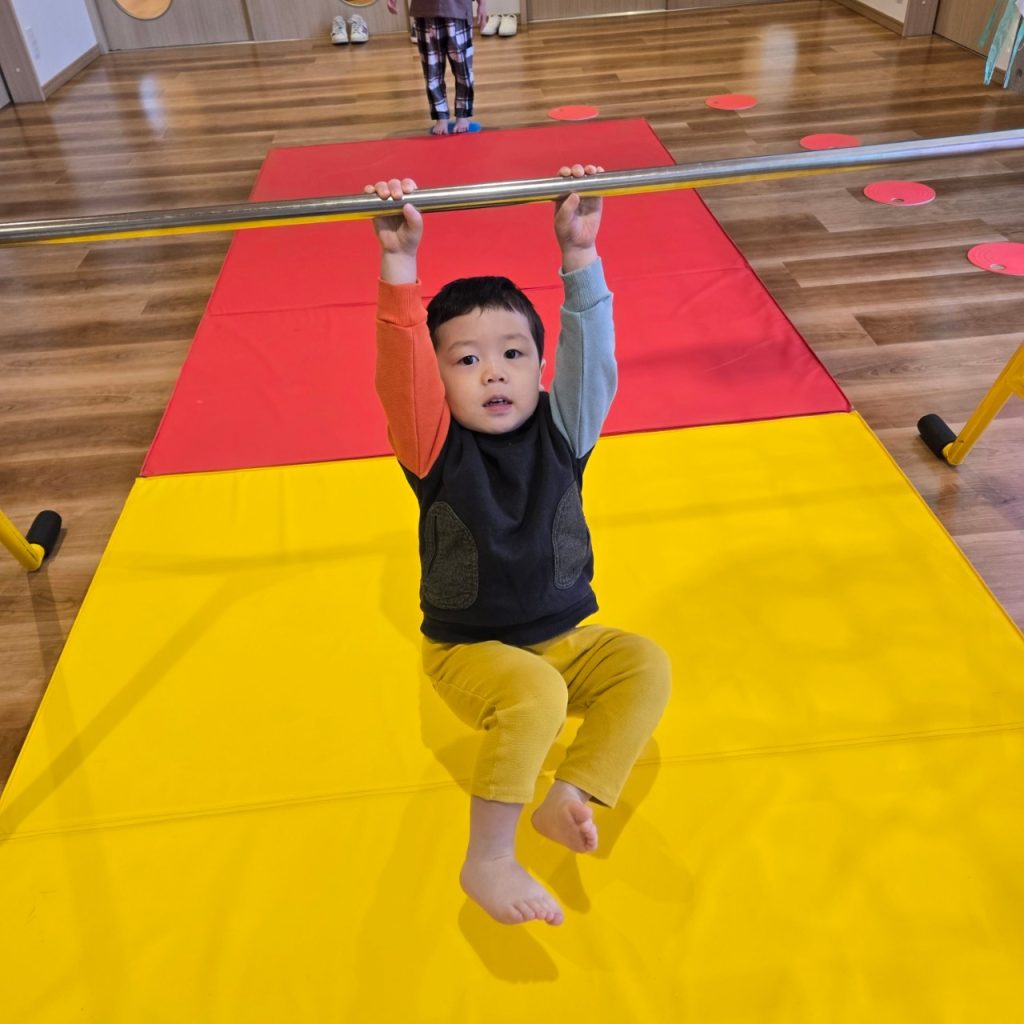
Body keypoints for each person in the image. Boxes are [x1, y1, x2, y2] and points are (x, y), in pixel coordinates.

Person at [366, 166, 672, 926]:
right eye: (466, 360)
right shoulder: (434, 447)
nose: (493, 373)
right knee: (536, 696)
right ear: (439, 381)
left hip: (563, 642)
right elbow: (401, 367)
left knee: (644, 663)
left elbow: (591, 352)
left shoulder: (565, 429)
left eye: (512, 355)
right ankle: (489, 858)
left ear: (540, 371)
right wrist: (399, 263)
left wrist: (579, 253)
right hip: (470, 654)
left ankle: (569, 794)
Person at [386, 0, 486, 134]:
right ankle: (440, 116)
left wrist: (482, 4)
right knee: (432, 71)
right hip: (426, 12)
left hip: (458, 11)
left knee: (463, 69)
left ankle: (463, 114)